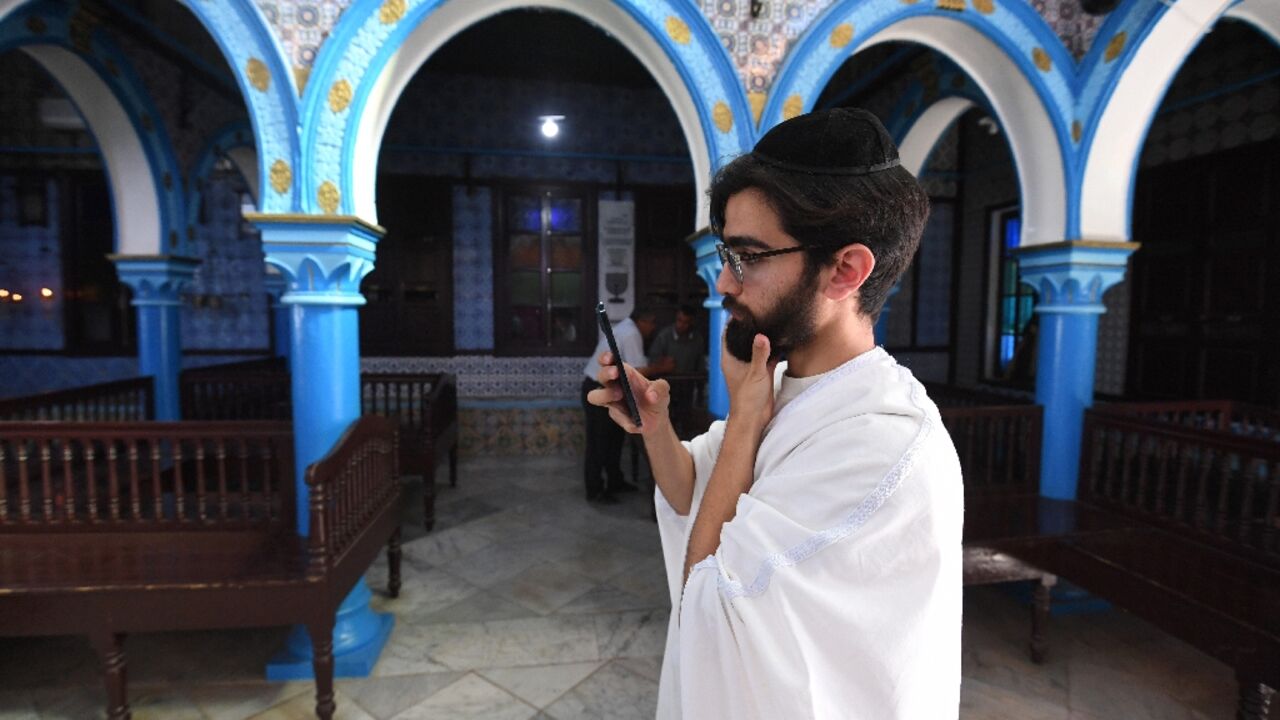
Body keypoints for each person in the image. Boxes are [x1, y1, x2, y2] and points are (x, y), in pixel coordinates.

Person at [588, 108, 963, 718]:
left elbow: (708, 600)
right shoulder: (785, 384)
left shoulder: (883, 445)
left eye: (749, 257)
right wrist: (657, 431)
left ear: (845, 270)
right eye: (725, 256)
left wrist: (742, 421)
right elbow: (693, 494)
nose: (724, 286)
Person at [581, 306, 657, 504]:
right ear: (643, 321)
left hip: (606, 389)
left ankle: (615, 481)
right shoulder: (632, 333)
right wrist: (662, 367)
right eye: (652, 323)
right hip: (599, 389)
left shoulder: (625, 327)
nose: (653, 328)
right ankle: (595, 490)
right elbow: (637, 371)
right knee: (599, 443)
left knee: (614, 438)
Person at [647, 304, 705, 376]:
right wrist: (662, 363)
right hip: (667, 383)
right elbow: (652, 361)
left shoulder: (697, 339)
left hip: (689, 382)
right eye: (679, 320)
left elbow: (700, 365)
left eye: (685, 322)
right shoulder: (664, 337)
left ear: (691, 322)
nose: (681, 325)